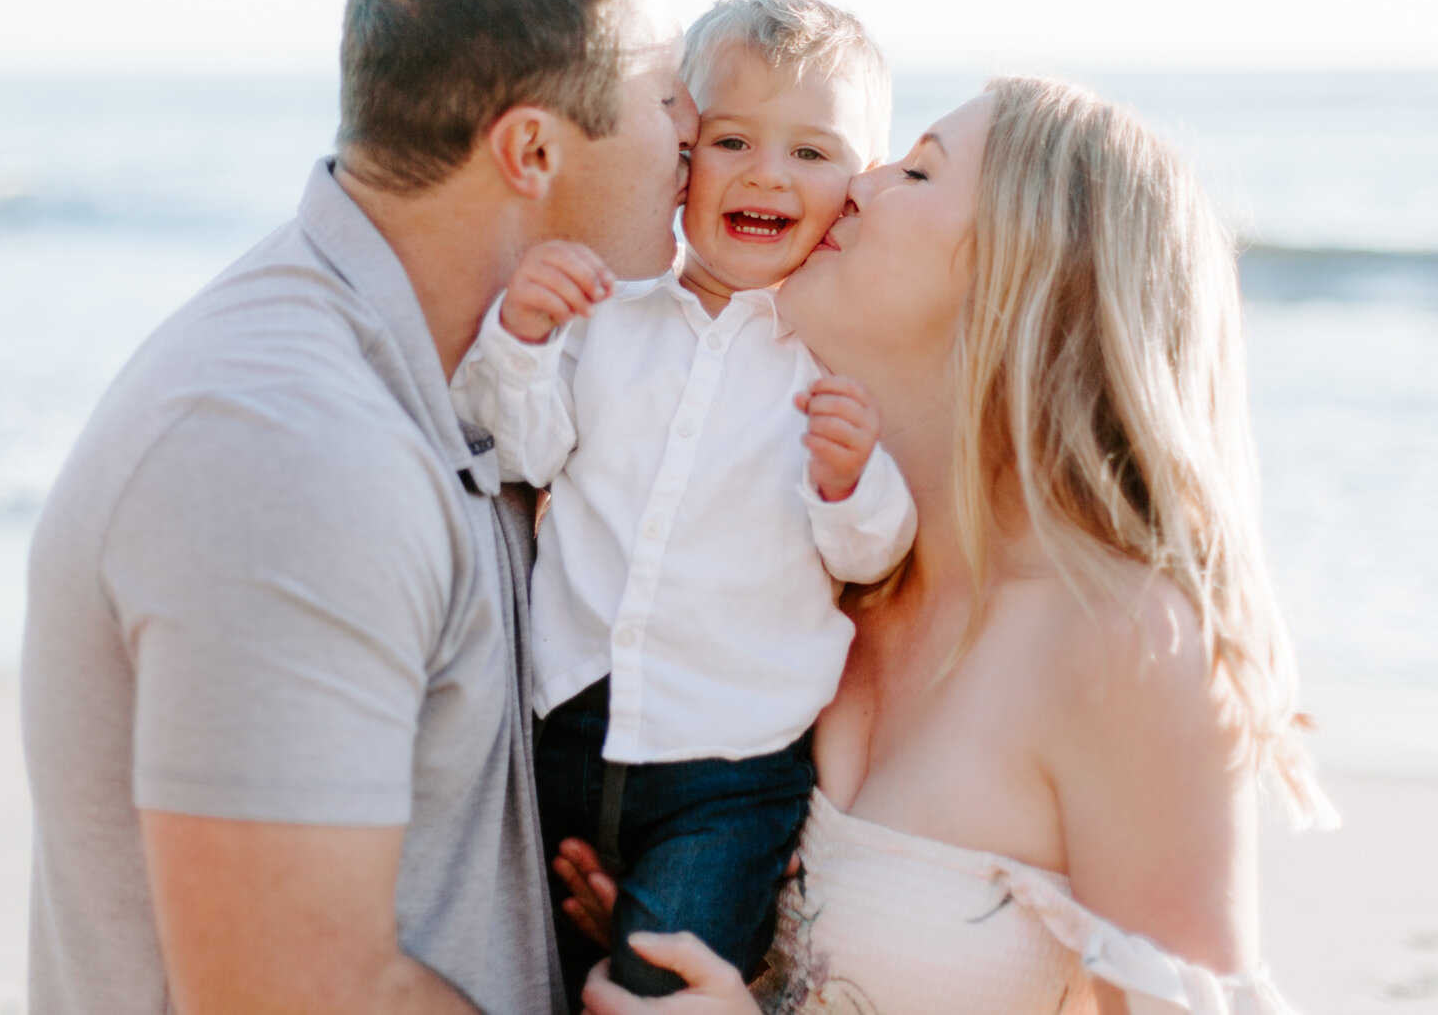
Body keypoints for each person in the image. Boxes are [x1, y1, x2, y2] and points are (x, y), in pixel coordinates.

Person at [19, 0, 695, 1015]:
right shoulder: (290, 450)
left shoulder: (449, 378)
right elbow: (293, 992)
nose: (695, 132)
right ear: (529, 151)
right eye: (665, 95)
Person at [567, 76, 1335, 1015]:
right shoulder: (824, 578)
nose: (856, 180)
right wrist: (691, 942)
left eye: (917, 169)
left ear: (1023, 272)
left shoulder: (1124, 643)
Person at [451, 0, 917, 1007]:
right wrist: (522, 338)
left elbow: (870, 555)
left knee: (653, 986)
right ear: (680, 157)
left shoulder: (835, 363)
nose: (764, 172)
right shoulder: (609, 315)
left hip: (729, 766)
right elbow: (522, 447)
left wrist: (849, 480)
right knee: (520, 974)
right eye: (732, 139)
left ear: (859, 186)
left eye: (810, 152)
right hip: (563, 729)